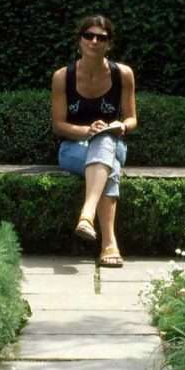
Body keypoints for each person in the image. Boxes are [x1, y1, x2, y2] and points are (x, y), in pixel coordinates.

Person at [51, 15, 138, 268]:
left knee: (106, 141)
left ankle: (87, 214)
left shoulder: (123, 74)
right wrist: (88, 131)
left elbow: (132, 119)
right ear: (79, 40)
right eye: (88, 35)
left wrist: (121, 126)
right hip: (72, 149)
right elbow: (59, 125)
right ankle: (109, 243)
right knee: (111, 167)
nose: (94, 41)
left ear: (109, 44)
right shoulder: (62, 77)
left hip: (114, 144)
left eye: (102, 37)